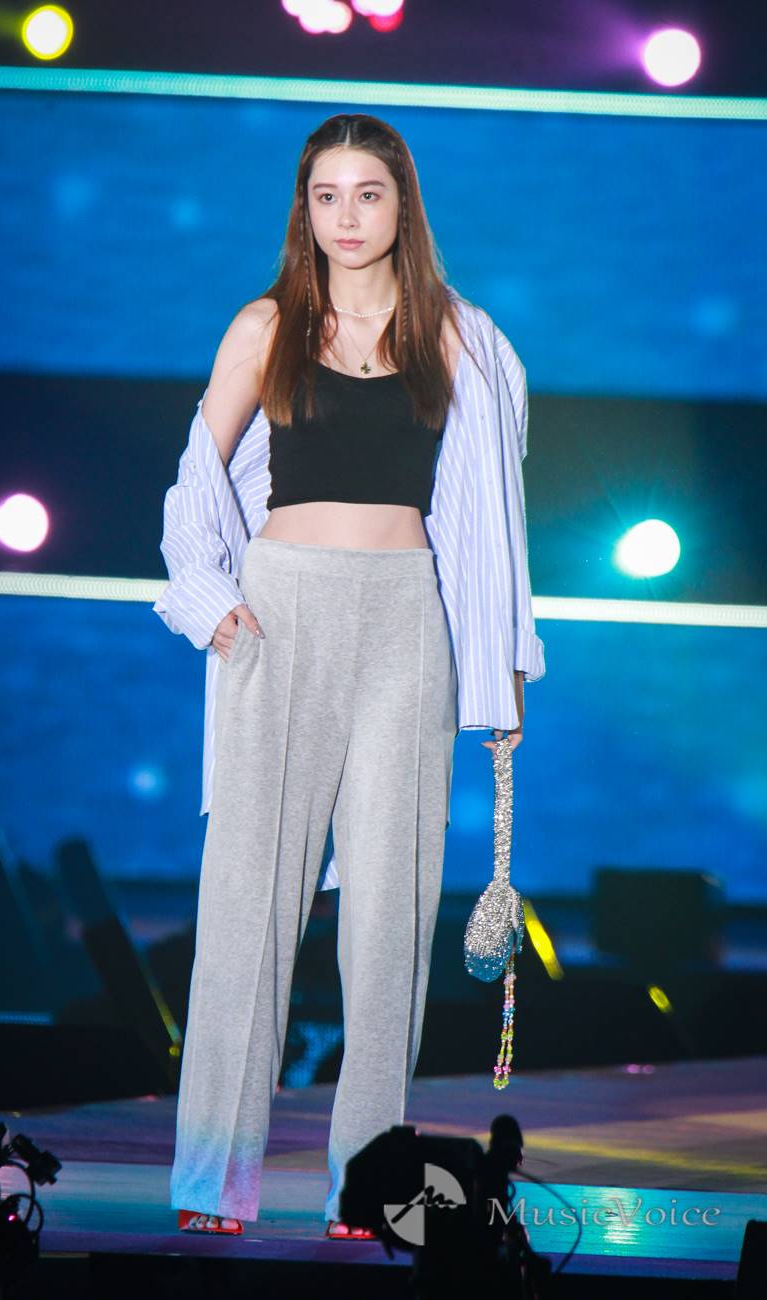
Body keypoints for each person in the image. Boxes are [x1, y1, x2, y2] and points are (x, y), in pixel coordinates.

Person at [153, 113, 546, 1240]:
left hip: (407, 620)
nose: (346, 216)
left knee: (390, 914)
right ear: (305, 209)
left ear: (401, 204)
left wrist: (500, 671)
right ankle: (211, 1181)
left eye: (367, 193)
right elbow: (194, 480)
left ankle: (366, 1188)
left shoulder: (460, 334)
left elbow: (496, 511)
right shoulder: (267, 324)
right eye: (326, 195)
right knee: (247, 902)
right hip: (281, 613)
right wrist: (209, 601)